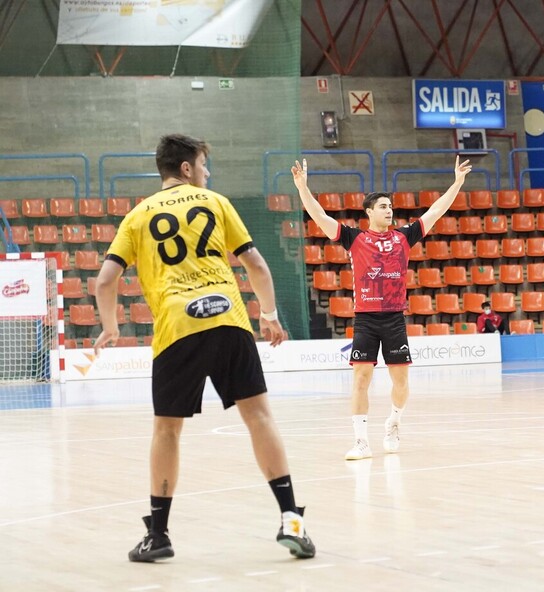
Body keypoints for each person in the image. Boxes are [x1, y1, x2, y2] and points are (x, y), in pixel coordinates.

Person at [94, 134, 315, 562]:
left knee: (166, 430)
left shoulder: (137, 217)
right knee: (260, 418)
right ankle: (291, 519)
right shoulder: (215, 203)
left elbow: (104, 280)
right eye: (204, 167)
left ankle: (158, 535)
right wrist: (268, 316)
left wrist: (110, 326)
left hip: (177, 328)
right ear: (187, 170)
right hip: (229, 320)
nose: (208, 174)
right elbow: (255, 264)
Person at [292, 156, 471, 461]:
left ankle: (394, 422)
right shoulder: (354, 238)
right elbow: (319, 215)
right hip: (365, 318)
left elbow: (437, 210)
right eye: (383, 207)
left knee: (400, 382)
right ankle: (361, 442)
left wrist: (456, 183)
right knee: (360, 379)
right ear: (369, 212)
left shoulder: (404, 236)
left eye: (391, 207)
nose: (389, 211)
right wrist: (302, 188)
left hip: (394, 318)